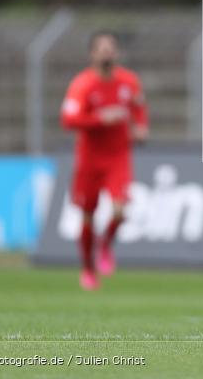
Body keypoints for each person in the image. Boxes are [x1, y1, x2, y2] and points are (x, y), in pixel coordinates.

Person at [60, 31, 148, 291]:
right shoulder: (82, 85)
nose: (107, 52)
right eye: (102, 48)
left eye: (111, 47)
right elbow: (68, 120)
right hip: (89, 159)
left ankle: (105, 245)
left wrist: (141, 127)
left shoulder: (129, 82)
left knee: (120, 211)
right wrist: (100, 118)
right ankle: (87, 268)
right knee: (88, 216)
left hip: (118, 156)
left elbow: (139, 108)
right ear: (92, 54)